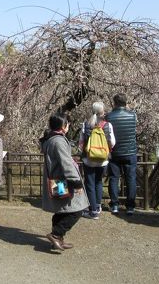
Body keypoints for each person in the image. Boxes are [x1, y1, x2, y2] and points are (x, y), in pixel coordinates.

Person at [40, 113, 89, 251]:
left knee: (61, 210)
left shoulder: (51, 139)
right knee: (76, 210)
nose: (69, 125)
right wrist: (76, 182)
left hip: (56, 180)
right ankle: (56, 235)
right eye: (67, 123)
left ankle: (58, 240)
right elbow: (66, 163)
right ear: (63, 126)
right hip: (63, 180)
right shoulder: (58, 141)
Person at [78, 101, 115, 219]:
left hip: (89, 158)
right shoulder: (107, 125)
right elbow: (112, 142)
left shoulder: (86, 124)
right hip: (103, 159)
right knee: (99, 182)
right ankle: (97, 207)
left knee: (89, 183)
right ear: (103, 112)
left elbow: (81, 142)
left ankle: (92, 211)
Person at [106, 93, 138, 214]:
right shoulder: (132, 115)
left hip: (114, 152)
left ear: (114, 103)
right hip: (130, 152)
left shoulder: (109, 117)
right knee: (131, 179)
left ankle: (114, 205)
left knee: (114, 178)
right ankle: (130, 206)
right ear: (126, 102)